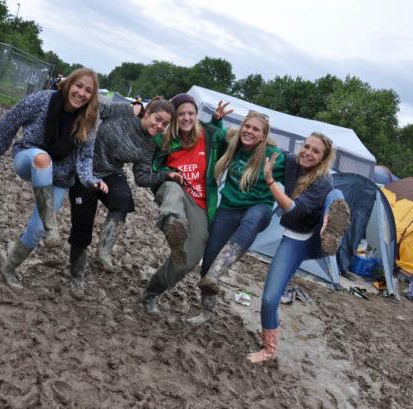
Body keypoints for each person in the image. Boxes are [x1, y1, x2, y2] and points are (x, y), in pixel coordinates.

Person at [0, 68, 117, 290]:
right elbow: (9, 122)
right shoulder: (42, 100)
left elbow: (85, 157)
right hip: (28, 158)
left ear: (93, 96)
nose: (81, 93)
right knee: (42, 158)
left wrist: (90, 179)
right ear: (69, 84)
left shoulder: (89, 120)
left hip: (60, 177)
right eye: (79, 86)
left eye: (88, 91)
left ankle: (10, 268)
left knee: (37, 231)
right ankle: (51, 223)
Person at [247, 132, 350, 363]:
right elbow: (271, 148)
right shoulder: (293, 162)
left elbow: (294, 210)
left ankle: (332, 226)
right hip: (295, 240)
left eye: (316, 151)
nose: (308, 153)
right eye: (307, 146)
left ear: (323, 159)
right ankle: (269, 348)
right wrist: (257, 134)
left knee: (335, 192)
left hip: (317, 243)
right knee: (270, 299)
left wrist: (271, 182)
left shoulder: (322, 180)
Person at [67, 97, 182, 298]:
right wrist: (128, 107)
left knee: (123, 201)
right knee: (82, 226)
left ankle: (103, 251)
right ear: (146, 113)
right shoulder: (124, 112)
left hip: (111, 172)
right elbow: (95, 108)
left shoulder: (148, 145)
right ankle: (76, 276)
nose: (160, 126)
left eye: (165, 124)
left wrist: (166, 174)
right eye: (158, 119)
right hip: (85, 168)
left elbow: (142, 178)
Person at [186, 110, 286, 324]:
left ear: (264, 135)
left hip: (259, 208)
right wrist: (217, 119)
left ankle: (217, 272)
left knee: (251, 220)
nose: (249, 131)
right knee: (208, 261)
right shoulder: (234, 144)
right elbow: (213, 136)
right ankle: (206, 311)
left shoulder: (274, 155)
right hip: (229, 207)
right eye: (247, 126)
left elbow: (299, 172)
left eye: (255, 129)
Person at [141, 93, 233, 315]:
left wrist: (218, 121)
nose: (186, 118)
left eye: (190, 113)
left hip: (200, 200)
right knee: (173, 188)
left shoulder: (208, 135)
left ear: (196, 114)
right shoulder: (163, 139)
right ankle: (172, 224)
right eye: (181, 113)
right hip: (171, 189)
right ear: (174, 117)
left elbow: (225, 143)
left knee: (188, 260)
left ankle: (153, 291)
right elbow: (143, 143)